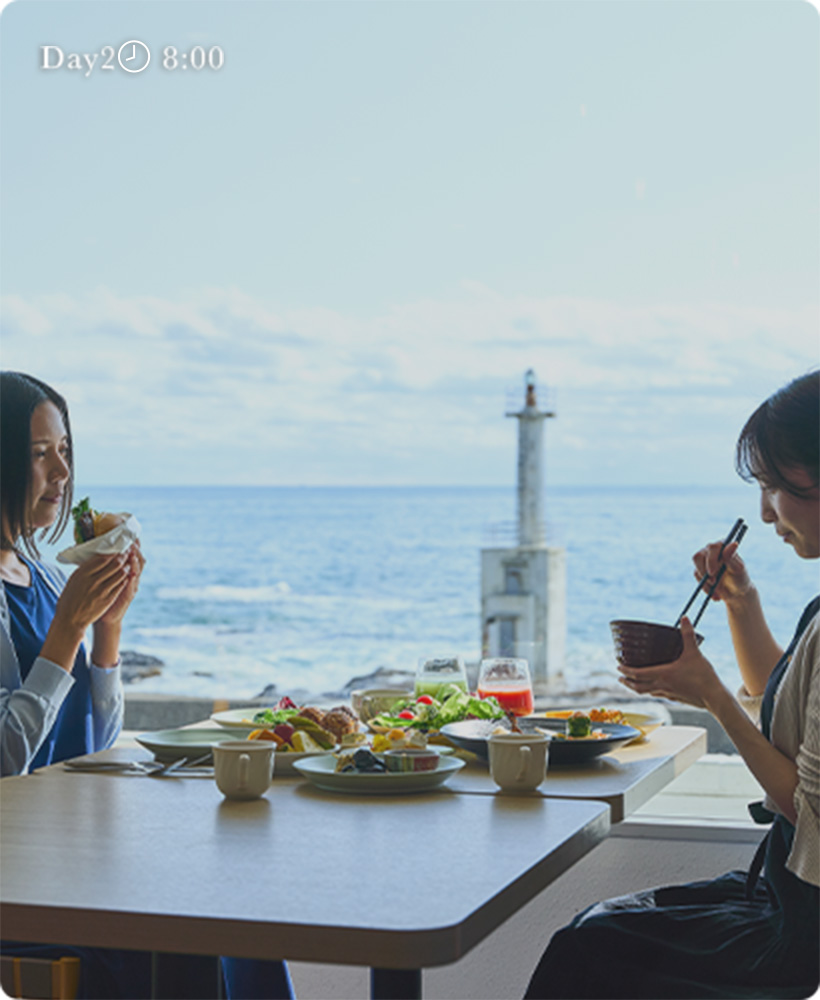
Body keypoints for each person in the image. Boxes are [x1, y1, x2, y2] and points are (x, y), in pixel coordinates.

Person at [524, 370, 819, 1000]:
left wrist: (711, 694)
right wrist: (741, 604)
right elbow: (788, 703)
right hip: (779, 888)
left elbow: (806, 807)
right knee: (594, 933)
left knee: (588, 949)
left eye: (774, 487)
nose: (766, 513)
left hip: (800, 930)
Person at [0, 372, 293, 999]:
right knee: (181, 928)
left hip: (69, 855)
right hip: (18, 876)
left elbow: (91, 746)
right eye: (37, 454)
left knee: (240, 905)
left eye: (65, 451)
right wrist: (64, 636)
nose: (60, 474)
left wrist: (107, 630)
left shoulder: (48, 580)